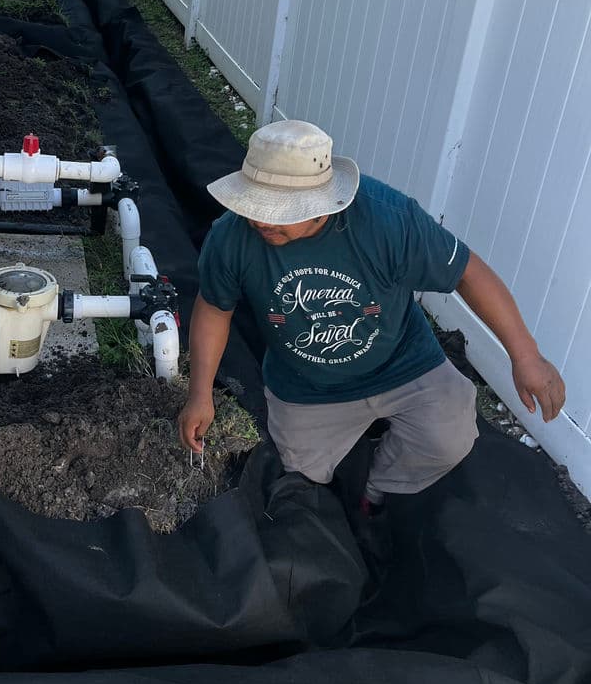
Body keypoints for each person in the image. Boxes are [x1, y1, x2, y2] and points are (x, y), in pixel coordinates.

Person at [178, 120, 566, 532]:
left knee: (450, 436)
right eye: (256, 207)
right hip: (305, 385)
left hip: (403, 361)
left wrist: (526, 355)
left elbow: (468, 272)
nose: (262, 222)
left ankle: (376, 490)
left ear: (323, 205)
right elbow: (214, 309)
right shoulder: (233, 236)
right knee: (298, 477)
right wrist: (200, 394)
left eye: (279, 215)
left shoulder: (387, 221)